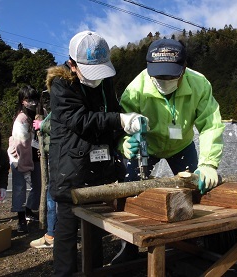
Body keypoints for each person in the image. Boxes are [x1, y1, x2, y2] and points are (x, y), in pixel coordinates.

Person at [115, 38, 225, 263]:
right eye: (159, 76)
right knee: (130, 190)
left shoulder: (200, 84)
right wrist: (123, 144)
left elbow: (211, 124)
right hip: (147, 146)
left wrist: (209, 163)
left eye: (171, 76)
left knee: (196, 189)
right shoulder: (135, 89)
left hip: (181, 145)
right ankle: (127, 245)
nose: (164, 81)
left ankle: (190, 241)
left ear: (184, 68)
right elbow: (119, 124)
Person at [47, 30, 147, 276]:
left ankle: (93, 271)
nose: (97, 79)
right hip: (70, 168)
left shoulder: (105, 82)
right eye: (90, 72)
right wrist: (120, 120)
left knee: (95, 227)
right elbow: (80, 120)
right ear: (72, 65)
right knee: (68, 230)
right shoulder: (61, 86)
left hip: (98, 165)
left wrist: (122, 137)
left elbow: (110, 113)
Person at [8, 85, 42, 233]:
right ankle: (21, 218)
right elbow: (21, 144)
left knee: (38, 184)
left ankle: (29, 210)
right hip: (19, 157)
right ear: (23, 101)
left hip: (35, 155)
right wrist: (25, 166)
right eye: (29, 99)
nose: (33, 102)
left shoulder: (39, 113)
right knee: (20, 188)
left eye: (35, 99)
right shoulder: (21, 119)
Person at [29, 112, 57, 248]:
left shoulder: (65, 100)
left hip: (60, 157)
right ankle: (54, 233)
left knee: (53, 198)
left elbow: (62, 126)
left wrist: (44, 125)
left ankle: (52, 235)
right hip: (55, 154)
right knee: (53, 197)